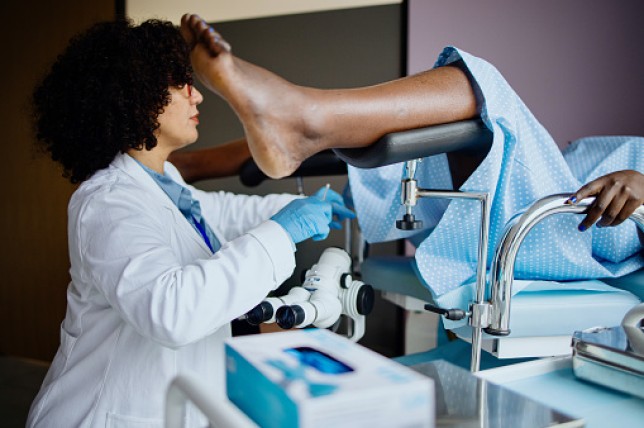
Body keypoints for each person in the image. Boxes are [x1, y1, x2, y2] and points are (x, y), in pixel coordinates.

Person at [179, 14, 643, 305]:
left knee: (481, 91)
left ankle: (300, 117)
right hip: (547, 175)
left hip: (566, 226)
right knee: (377, 137)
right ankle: (192, 165)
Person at [27, 19, 353, 427]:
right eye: (180, 84)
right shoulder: (107, 202)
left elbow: (216, 212)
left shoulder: (162, 180)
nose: (196, 95)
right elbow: (171, 311)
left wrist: (304, 206)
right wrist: (285, 230)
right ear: (137, 96)